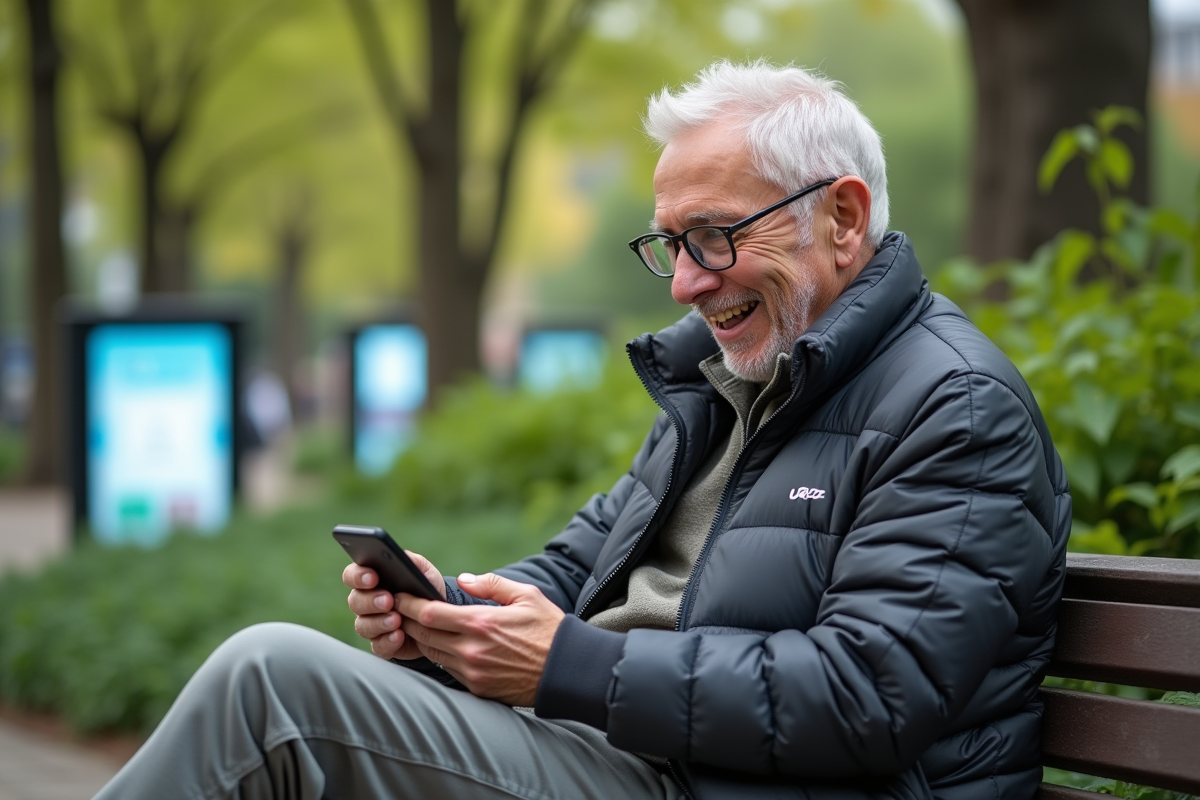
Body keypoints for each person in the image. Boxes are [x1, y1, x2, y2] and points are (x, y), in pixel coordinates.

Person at [93, 61, 1070, 800]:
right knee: (278, 679)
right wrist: (455, 613)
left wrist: (567, 664)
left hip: (704, 778)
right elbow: (579, 561)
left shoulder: (956, 406)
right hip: (629, 750)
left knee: (273, 684)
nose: (687, 280)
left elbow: (867, 695)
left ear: (844, 219)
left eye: (716, 235)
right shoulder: (732, 381)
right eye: (672, 244)